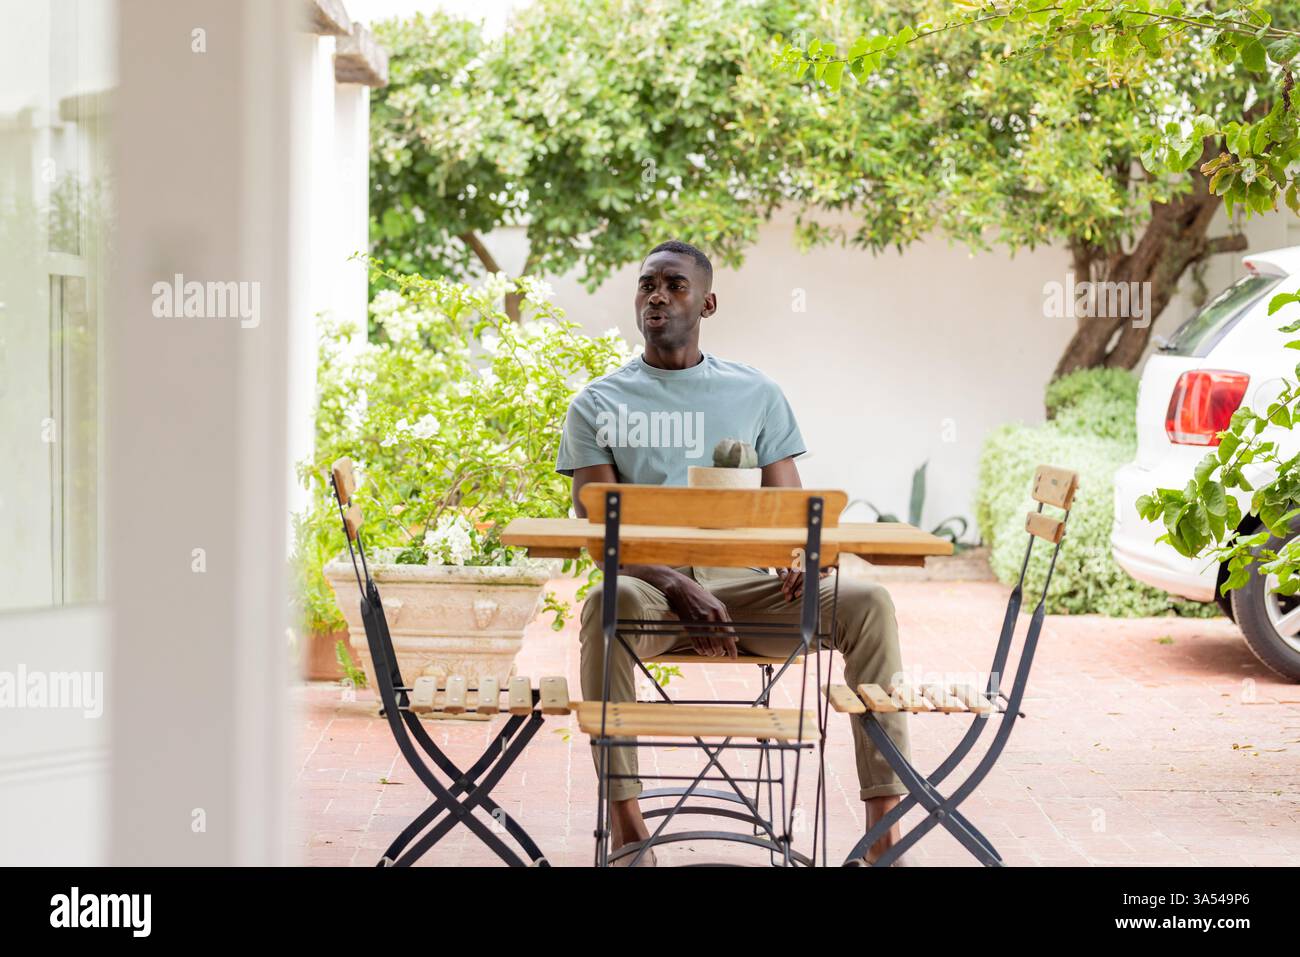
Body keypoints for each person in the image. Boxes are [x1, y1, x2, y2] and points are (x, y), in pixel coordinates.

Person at [556, 239, 911, 866]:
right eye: (647, 285)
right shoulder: (596, 403)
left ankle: (883, 832)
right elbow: (597, 538)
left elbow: (792, 517)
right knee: (602, 602)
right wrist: (677, 583)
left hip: (754, 592)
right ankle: (629, 829)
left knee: (870, 602)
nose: (658, 296)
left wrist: (799, 559)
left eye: (674, 285)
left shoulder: (757, 393)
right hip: (652, 595)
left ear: (708, 302)